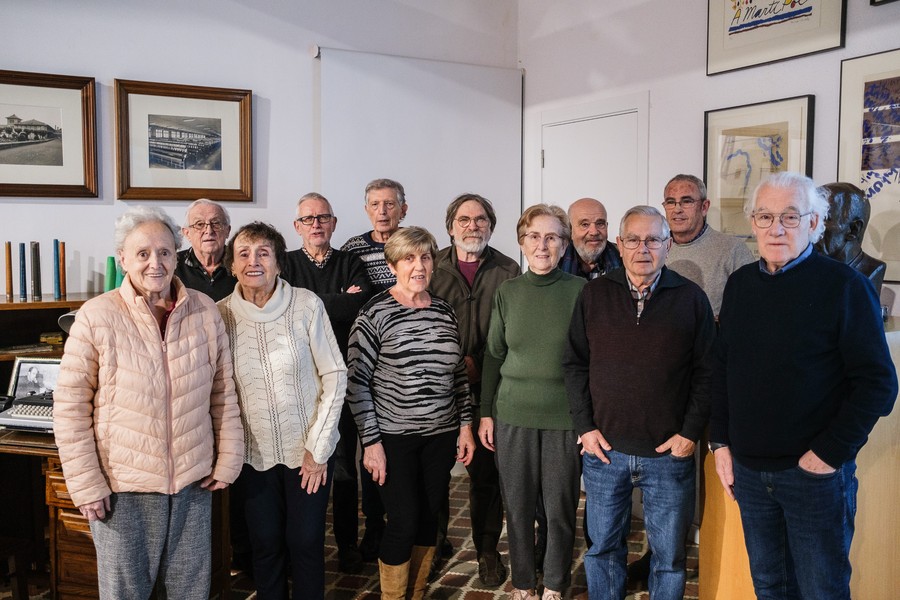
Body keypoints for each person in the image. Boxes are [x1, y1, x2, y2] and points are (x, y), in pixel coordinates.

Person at [709, 172, 898, 599]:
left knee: (821, 590)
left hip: (812, 476)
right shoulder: (740, 286)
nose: (776, 228)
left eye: (791, 217)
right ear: (753, 223)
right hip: (751, 474)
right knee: (770, 587)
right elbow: (721, 367)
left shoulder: (844, 287)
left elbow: (878, 384)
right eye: (765, 216)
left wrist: (828, 454)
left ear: (814, 224)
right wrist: (719, 442)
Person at [53, 206, 244, 599]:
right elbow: (70, 410)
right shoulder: (96, 317)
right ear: (122, 258)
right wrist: (87, 485)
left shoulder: (205, 312)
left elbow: (223, 392)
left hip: (193, 485)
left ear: (177, 256)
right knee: (126, 593)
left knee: (191, 592)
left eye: (164, 252)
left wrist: (228, 459)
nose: (155, 263)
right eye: (142, 253)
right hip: (123, 490)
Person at [563, 205, 715, 600]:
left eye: (653, 240)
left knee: (667, 557)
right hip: (604, 453)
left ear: (667, 246)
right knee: (603, 549)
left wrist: (689, 433)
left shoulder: (690, 299)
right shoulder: (594, 295)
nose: (642, 248)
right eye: (633, 239)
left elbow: (707, 373)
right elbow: (575, 363)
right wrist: (585, 427)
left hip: (668, 454)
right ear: (620, 243)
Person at [218, 222, 347, 600]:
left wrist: (318, 448)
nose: (253, 261)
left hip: (307, 450)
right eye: (243, 253)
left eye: (263, 253)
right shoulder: (220, 314)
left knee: (305, 542)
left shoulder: (307, 305)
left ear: (278, 263)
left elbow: (335, 375)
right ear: (232, 265)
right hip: (252, 455)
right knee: (265, 543)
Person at [346, 226, 475, 600]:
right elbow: (357, 384)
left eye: (425, 257)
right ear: (392, 265)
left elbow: (458, 376)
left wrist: (465, 426)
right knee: (401, 521)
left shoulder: (444, 311)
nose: (418, 266)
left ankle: (414, 594)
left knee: (427, 519)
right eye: (408, 258)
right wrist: (371, 443)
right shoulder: (374, 314)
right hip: (393, 439)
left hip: (440, 435)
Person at [479, 204, 586, 600]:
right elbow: (494, 355)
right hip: (513, 415)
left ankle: (556, 583)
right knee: (519, 508)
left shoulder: (580, 292)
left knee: (559, 510)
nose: (543, 245)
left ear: (564, 243)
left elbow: (591, 361)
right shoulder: (508, 292)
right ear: (522, 242)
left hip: (564, 417)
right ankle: (524, 583)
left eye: (552, 236)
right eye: (534, 236)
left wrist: (587, 421)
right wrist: (486, 412)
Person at [280, 192, 381, 574]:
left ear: (334, 223)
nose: (316, 224)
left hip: (344, 376)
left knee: (343, 467)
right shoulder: (285, 263)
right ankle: (300, 545)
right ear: (297, 226)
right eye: (308, 219)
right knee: (298, 464)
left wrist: (309, 301)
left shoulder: (350, 261)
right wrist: (336, 299)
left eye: (323, 217)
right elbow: (285, 308)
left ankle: (347, 545)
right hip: (299, 382)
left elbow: (360, 305)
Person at [428, 193, 520, 587]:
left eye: (480, 219)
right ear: (450, 227)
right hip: (435, 390)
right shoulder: (429, 265)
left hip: (487, 390)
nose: (472, 226)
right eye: (464, 219)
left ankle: (486, 550)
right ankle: (432, 548)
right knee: (433, 476)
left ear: (491, 226)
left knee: (486, 476)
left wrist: (478, 364)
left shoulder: (508, 268)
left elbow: (512, 330)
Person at [662, 174, 754, 316]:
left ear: (704, 207)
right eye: (670, 202)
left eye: (686, 201)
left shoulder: (732, 249)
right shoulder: (654, 249)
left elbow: (749, 306)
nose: (677, 209)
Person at [815, 181, 887, 294]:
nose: (813, 227)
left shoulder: (871, 270)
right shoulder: (806, 268)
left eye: (824, 219)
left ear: (854, 229)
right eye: (812, 218)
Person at [341, 178, 408, 291]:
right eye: (375, 204)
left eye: (389, 204)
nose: (382, 211)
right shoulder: (352, 249)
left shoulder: (417, 244)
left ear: (403, 210)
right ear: (367, 210)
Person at [175, 198, 237, 302]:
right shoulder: (172, 264)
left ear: (227, 231)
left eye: (216, 223)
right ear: (187, 233)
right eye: (199, 224)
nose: (209, 231)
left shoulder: (242, 263)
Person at [559, 197, 621, 279]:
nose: (594, 232)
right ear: (570, 230)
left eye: (600, 224)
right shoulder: (555, 260)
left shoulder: (623, 258)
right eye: (585, 224)